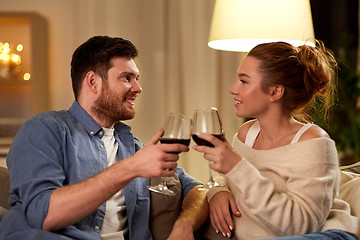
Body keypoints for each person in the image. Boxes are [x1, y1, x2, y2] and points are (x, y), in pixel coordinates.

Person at [0, 36, 208, 240]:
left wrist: (186, 223)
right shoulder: (45, 130)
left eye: (137, 79)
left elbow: (194, 188)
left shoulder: (132, 146)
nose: (138, 88)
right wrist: (131, 168)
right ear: (93, 81)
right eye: (127, 78)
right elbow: (43, 215)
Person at [193, 41, 359, 239]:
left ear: (275, 92)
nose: (233, 89)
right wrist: (217, 191)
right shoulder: (248, 134)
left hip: (322, 234)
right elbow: (230, 179)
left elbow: (301, 226)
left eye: (244, 81)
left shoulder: (314, 143)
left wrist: (236, 166)